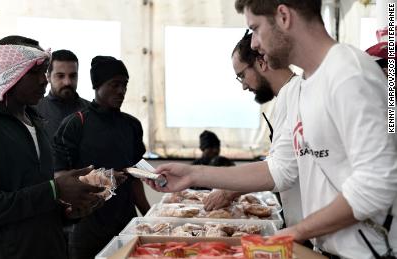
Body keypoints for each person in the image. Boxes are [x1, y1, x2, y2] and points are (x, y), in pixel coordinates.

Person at [148, 1, 396, 258]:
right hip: (327, 250)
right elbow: (279, 170)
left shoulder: (349, 73)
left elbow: (376, 184)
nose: (254, 44)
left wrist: (294, 232)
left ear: (284, 16)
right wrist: (193, 174)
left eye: (255, 28)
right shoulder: (304, 86)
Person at [0, 35, 105, 259]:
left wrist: (69, 211)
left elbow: (34, 200)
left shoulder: (36, 123)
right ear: (11, 74)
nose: (44, 80)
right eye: (35, 72)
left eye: (44, 72)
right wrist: (54, 189)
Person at [53, 55, 151, 259]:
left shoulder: (131, 125)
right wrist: (105, 178)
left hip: (125, 224)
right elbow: (61, 178)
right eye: (115, 84)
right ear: (97, 85)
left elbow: (134, 178)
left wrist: (149, 216)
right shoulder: (75, 124)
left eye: (124, 85)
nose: (121, 91)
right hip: (86, 226)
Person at [203, 31, 303, 230]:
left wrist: (227, 188)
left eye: (242, 76)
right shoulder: (286, 96)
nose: (243, 86)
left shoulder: (298, 95)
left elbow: (281, 170)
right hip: (302, 226)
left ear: (261, 61)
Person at [35, 49, 91, 142]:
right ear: (48, 77)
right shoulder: (33, 112)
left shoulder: (91, 112)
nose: (67, 82)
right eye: (60, 76)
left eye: (73, 76)